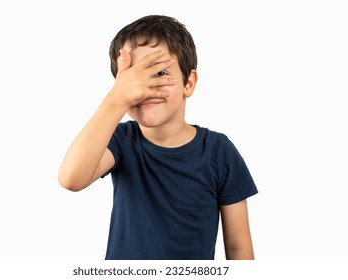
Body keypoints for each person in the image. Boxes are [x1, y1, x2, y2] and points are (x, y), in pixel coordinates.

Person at [58, 15, 258, 260]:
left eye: (160, 72)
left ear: (189, 83)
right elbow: (71, 178)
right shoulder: (121, 139)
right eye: (133, 77)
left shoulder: (219, 151)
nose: (145, 87)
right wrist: (116, 99)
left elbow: (239, 247)